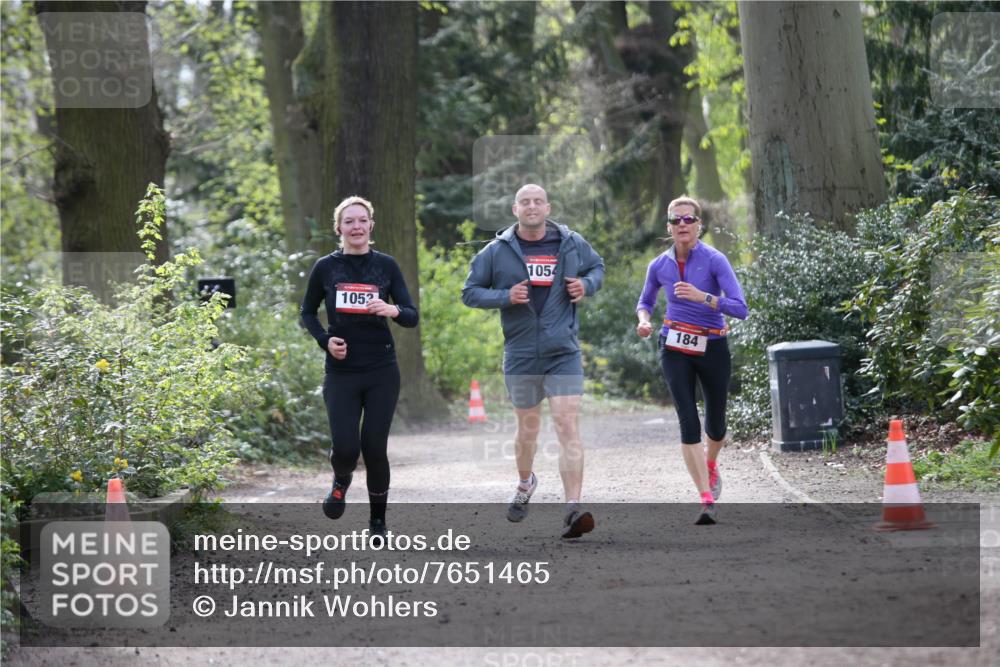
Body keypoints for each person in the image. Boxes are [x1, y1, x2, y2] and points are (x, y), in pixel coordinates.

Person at [462, 183, 605, 539]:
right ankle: (526, 482)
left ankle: (573, 507)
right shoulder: (497, 251)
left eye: (537, 201)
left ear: (548, 206)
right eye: (524, 202)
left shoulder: (571, 242)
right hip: (522, 352)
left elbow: (597, 267)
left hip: (563, 351)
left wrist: (586, 285)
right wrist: (504, 296)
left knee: (566, 423)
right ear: (515, 210)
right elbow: (470, 292)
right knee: (528, 430)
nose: (531, 206)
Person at [300, 196, 418, 538]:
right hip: (341, 371)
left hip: (381, 369)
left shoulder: (386, 266)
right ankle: (341, 478)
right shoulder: (325, 267)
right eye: (349, 221)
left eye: (362, 221)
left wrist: (391, 310)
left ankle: (378, 522)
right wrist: (325, 340)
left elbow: (410, 315)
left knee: (374, 446)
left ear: (371, 226)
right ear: (339, 228)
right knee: (347, 448)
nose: (356, 227)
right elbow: (307, 312)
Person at [635, 196, 748, 525]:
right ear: (668, 227)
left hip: (712, 344)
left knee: (716, 424)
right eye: (675, 220)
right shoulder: (659, 265)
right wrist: (644, 320)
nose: (682, 225)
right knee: (688, 421)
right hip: (673, 344)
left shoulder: (715, 260)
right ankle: (706, 498)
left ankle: (711, 464)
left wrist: (705, 298)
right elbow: (645, 302)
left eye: (688, 219)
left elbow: (740, 307)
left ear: (700, 225)